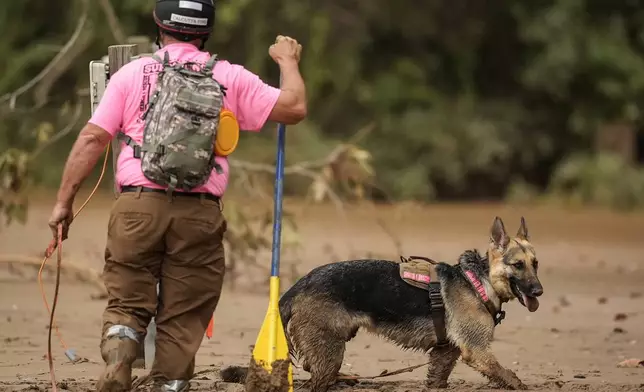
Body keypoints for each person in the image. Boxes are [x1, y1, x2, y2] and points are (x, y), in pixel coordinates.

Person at [47, 0, 307, 390]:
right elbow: (294, 107)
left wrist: (64, 202)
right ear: (206, 32)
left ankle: (119, 357)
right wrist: (287, 61)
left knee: (127, 300)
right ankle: (168, 384)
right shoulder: (228, 76)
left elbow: (92, 138)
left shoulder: (132, 73)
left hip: (137, 206)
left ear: (158, 25)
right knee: (184, 314)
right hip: (199, 214)